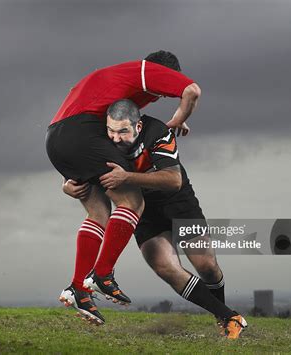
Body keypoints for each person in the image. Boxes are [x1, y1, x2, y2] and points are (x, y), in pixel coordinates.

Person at [63, 99, 248, 339]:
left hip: (177, 202)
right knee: (166, 267)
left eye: (123, 131)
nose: (115, 138)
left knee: (207, 266)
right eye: (111, 131)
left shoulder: (156, 132)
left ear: (138, 127)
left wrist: (127, 177)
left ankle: (222, 313)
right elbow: (80, 167)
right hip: (142, 210)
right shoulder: (100, 139)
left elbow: (174, 180)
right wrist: (68, 186)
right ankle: (229, 318)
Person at [46, 51, 201, 325]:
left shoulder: (113, 81)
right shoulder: (145, 70)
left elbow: (75, 126)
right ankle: (102, 274)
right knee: (132, 201)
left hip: (58, 138)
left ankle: (79, 290)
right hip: (82, 133)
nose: (162, 95)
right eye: (164, 91)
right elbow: (191, 90)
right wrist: (180, 117)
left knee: (98, 213)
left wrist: (69, 177)